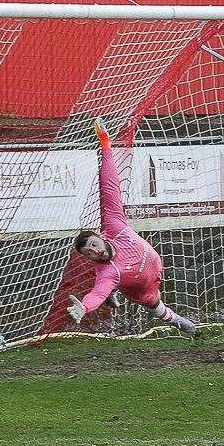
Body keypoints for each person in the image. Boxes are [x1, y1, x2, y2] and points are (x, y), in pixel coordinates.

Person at [65, 123, 198, 335]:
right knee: (156, 307)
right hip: (142, 289)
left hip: (153, 266)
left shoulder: (114, 226)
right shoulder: (109, 272)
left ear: (100, 236)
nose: (95, 251)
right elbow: (96, 294)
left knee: (108, 281)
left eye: (93, 245)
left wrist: (106, 145)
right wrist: (84, 307)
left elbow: (109, 187)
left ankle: (113, 293)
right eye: (88, 253)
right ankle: (182, 324)